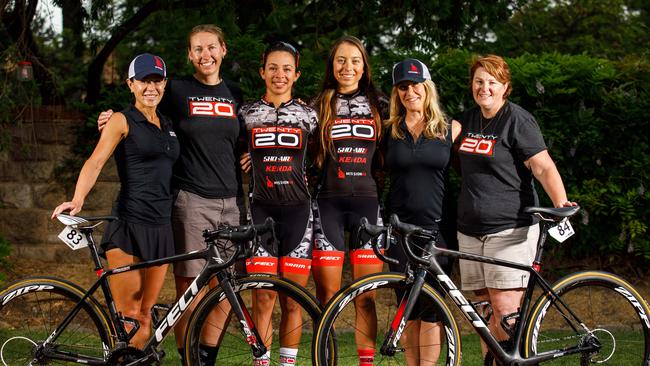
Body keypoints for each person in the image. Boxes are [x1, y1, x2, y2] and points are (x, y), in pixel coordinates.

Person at [98, 24, 245, 365]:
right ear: (189, 55)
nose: (205, 54)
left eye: (211, 47)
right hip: (190, 199)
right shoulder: (177, 89)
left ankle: (205, 358)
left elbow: (236, 138)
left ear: (224, 49)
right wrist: (111, 117)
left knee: (224, 290)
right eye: (197, 49)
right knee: (190, 291)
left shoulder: (235, 92)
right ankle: (188, 358)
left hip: (231, 202)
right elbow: (142, 105)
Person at [52, 54, 179, 350]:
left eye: (156, 80)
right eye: (143, 81)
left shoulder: (168, 124)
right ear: (130, 85)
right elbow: (96, 162)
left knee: (146, 314)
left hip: (161, 227)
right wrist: (77, 198)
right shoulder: (121, 120)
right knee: (129, 316)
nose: (151, 87)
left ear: (164, 83)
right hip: (129, 225)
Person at [455, 54, 577, 360]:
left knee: (506, 311)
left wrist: (560, 202)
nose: (484, 88)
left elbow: (543, 167)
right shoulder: (465, 121)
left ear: (505, 87)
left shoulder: (516, 120)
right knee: (482, 316)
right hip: (469, 231)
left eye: (492, 82)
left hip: (510, 228)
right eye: (479, 81)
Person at [239, 41, 318, 366]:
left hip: (299, 214)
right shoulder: (245, 114)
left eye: (286, 68)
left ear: (296, 74)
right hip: (260, 214)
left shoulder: (309, 115)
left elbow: (322, 158)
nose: (279, 74)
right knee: (263, 298)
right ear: (262, 72)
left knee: (292, 302)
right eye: (273, 67)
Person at [310, 35, 387, 366]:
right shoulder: (318, 104)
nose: (347, 67)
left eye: (355, 60)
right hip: (327, 205)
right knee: (325, 297)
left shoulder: (380, 104)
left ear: (364, 66)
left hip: (368, 207)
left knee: (365, 297)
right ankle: (325, 360)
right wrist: (248, 154)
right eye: (341, 60)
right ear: (332, 65)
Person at [383, 58, 461, 365]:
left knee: (431, 314)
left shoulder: (450, 129)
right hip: (400, 232)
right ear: (397, 93)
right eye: (403, 86)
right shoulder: (389, 130)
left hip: (436, 231)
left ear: (427, 87)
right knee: (408, 311)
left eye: (415, 84)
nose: (410, 91)